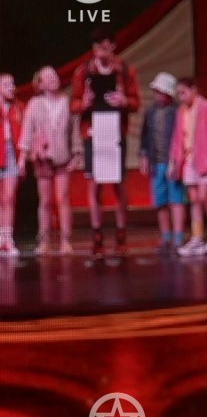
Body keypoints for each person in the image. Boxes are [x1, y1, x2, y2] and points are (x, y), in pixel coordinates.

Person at [70, 26, 141, 258]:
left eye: (105, 47)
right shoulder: (83, 72)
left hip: (115, 131)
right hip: (93, 132)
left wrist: (124, 100)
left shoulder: (125, 70)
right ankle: (97, 237)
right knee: (95, 184)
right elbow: (73, 104)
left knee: (118, 184)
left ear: (113, 46)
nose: (101, 52)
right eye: (97, 48)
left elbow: (136, 102)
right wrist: (84, 103)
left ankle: (121, 236)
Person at [18, 66, 79, 256]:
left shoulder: (67, 102)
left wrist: (77, 154)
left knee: (63, 199)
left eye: (54, 75)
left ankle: (66, 241)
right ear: (41, 84)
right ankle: (44, 241)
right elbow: (27, 131)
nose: (53, 79)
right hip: (42, 159)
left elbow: (75, 130)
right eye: (48, 77)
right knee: (45, 201)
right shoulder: (34, 104)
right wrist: (22, 158)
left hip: (62, 157)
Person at [168, 77, 207, 257]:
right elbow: (177, 138)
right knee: (194, 199)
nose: (181, 97)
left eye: (184, 92)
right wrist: (174, 161)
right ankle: (197, 237)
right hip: (189, 159)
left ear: (194, 90)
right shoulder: (181, 111)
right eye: (179, 94)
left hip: (205, 158)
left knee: (205, 195)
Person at [139, 72, 186, 254]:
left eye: (161, 92)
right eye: (156, 91)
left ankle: (178, 237)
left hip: (173, 161)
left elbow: (181, 137)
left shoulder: (177, 111)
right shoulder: (151, 112)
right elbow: (144, 137)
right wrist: (144, 156)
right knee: (160, 201)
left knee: (176, 199)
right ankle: (165, 236)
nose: (158, 95)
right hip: (156, 162)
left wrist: (177, 160)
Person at [0, 73, 23, 256]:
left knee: (9, 197)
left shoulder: (19, 107)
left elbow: (25, 135)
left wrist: (22, 158)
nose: (11, 87)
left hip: (11, 153)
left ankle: (8, 239)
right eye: (7, 84)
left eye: (12, 84)